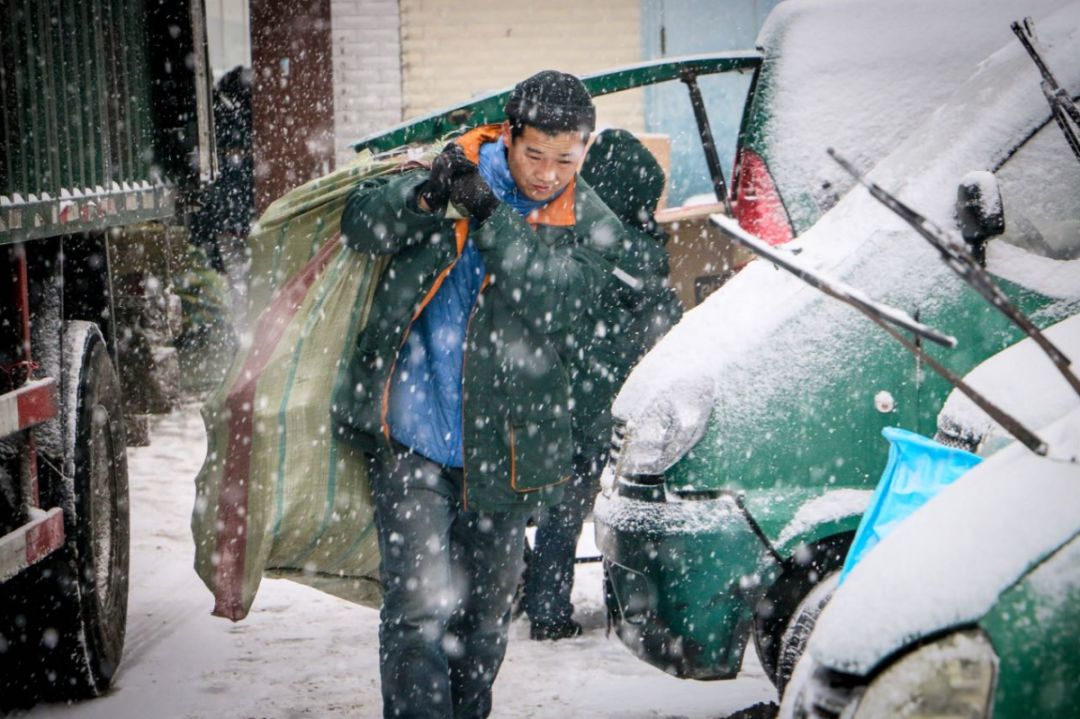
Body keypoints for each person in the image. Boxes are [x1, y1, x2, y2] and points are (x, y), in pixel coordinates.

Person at [330, 71, 631, 718]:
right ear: (509, 134)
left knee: (485, 620)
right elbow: (361, 224)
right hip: (411, 431)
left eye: (566, 158)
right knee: (418, 610)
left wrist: (489, 216)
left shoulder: (588, 221)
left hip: (508, 451)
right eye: (534, 154)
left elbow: (551, 295)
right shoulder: (457, 163)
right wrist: (422, 195)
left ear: (586, 148)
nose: (549, 173)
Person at [521, 128, 683, 641]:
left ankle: (534, 599)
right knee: (595, 506)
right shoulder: (638, 249)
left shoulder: (566, 231)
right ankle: (559, 608)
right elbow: (664, 319)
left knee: (551, 509)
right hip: (610, 404)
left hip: (559, 392)